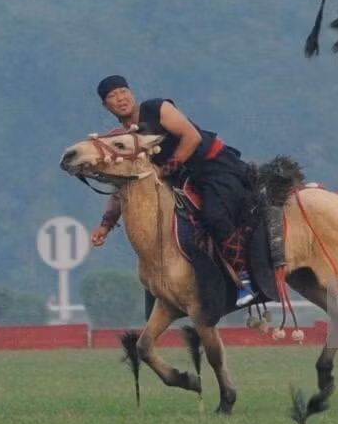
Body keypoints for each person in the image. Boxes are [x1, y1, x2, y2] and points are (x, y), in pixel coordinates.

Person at [89, 74, 256, 307]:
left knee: (214, 215)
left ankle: (244, 277)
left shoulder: (157, 108)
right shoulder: (125, 139)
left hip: (213, 167)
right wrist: (105, 226)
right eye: (112, 96)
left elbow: (192, 137)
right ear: (105, 106)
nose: (120, 98)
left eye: (123, 91)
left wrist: (165, 170)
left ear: (131, 93)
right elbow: (125, 184)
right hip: (180, 181)